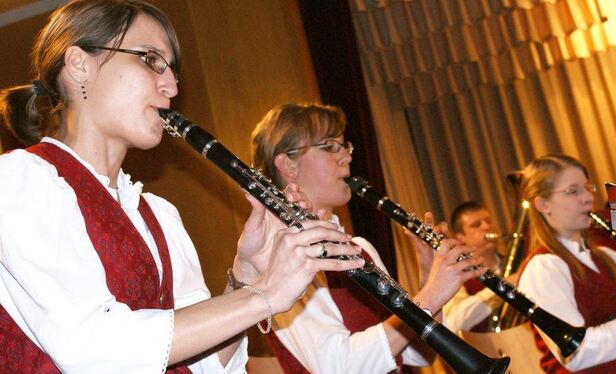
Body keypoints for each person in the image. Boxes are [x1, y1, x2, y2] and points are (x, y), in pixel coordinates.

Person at [0, 1, 363, 372]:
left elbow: (204, 366)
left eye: (171, 69)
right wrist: (266, 295)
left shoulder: (159, 215)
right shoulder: (20, 181)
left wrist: (247, 277)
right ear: (79, 65)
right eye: (151, 60)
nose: (171, 86)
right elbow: (92, 349)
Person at [250, 103, 486, 373]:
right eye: (330, 146)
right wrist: (431, 295)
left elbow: (418, 355)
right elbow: (339, 367)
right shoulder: (281, 258)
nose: (347, 158)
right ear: (288, 165)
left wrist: (427, 274)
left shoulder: (359, 249)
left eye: (344, 146)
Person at [517, 154, 616, 372]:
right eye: (573, 191)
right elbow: (576, 352)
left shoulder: (609, 257)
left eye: (588, 188)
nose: (587, 198)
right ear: (543, 204)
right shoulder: (541, 269)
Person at [441, 201, 509, 332]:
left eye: (488, 221)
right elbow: (454, 322)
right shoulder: (457, 276)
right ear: (460, 238)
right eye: (476, 225)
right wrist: (502, 288)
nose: (486, 226)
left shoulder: (513, 263)